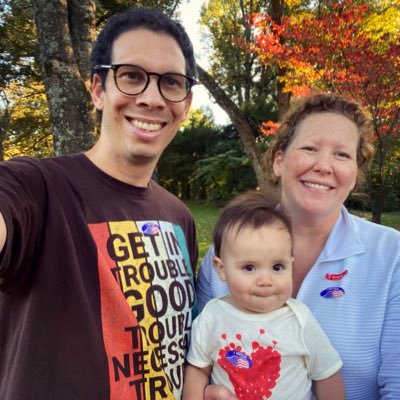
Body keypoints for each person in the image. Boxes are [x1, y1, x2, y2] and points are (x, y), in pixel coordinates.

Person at [0, 7, 199, 400]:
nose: (151, 98)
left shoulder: (180, 219)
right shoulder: (37, 187)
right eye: (131, 77)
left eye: (171, 83)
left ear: (186, 103)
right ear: (98, 89)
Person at [198, 93, 400, 400]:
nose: (324, 165)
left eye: (342, 155)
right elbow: (198, 357)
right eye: (310, 148)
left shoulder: (392, 256)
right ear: (279, 160)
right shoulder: (224, 251)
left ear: (355, 174)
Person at [183, 191, 345, 400]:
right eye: (249, 267)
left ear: (290, 265)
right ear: (221, 268)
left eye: (278, 267)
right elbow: (197, 370)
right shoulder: (212, 317)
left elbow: (327, 374)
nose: (266, 280)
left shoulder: (299, 320)